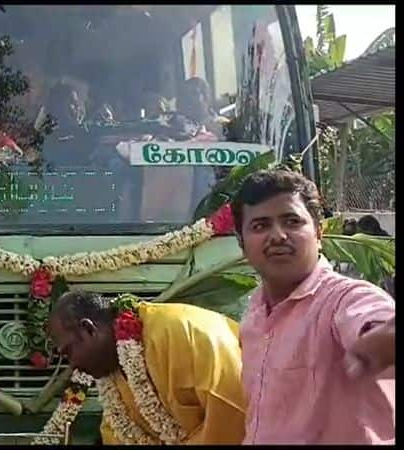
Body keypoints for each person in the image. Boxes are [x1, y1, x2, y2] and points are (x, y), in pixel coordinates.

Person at [233, 169, 394, 444]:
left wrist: (382, 339)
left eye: (292, 221)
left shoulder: (344, 298)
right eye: (260, 226)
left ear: (319, 233)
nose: (278, 235)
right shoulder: (253, 318)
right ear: (242, 244)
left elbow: (376, 322)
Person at [47, 290, 246, 445]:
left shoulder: (181, 330)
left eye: (68, 353)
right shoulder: (115, 375)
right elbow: (119, 436)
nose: (73, 366)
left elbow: (234, 412)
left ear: (89, 329)